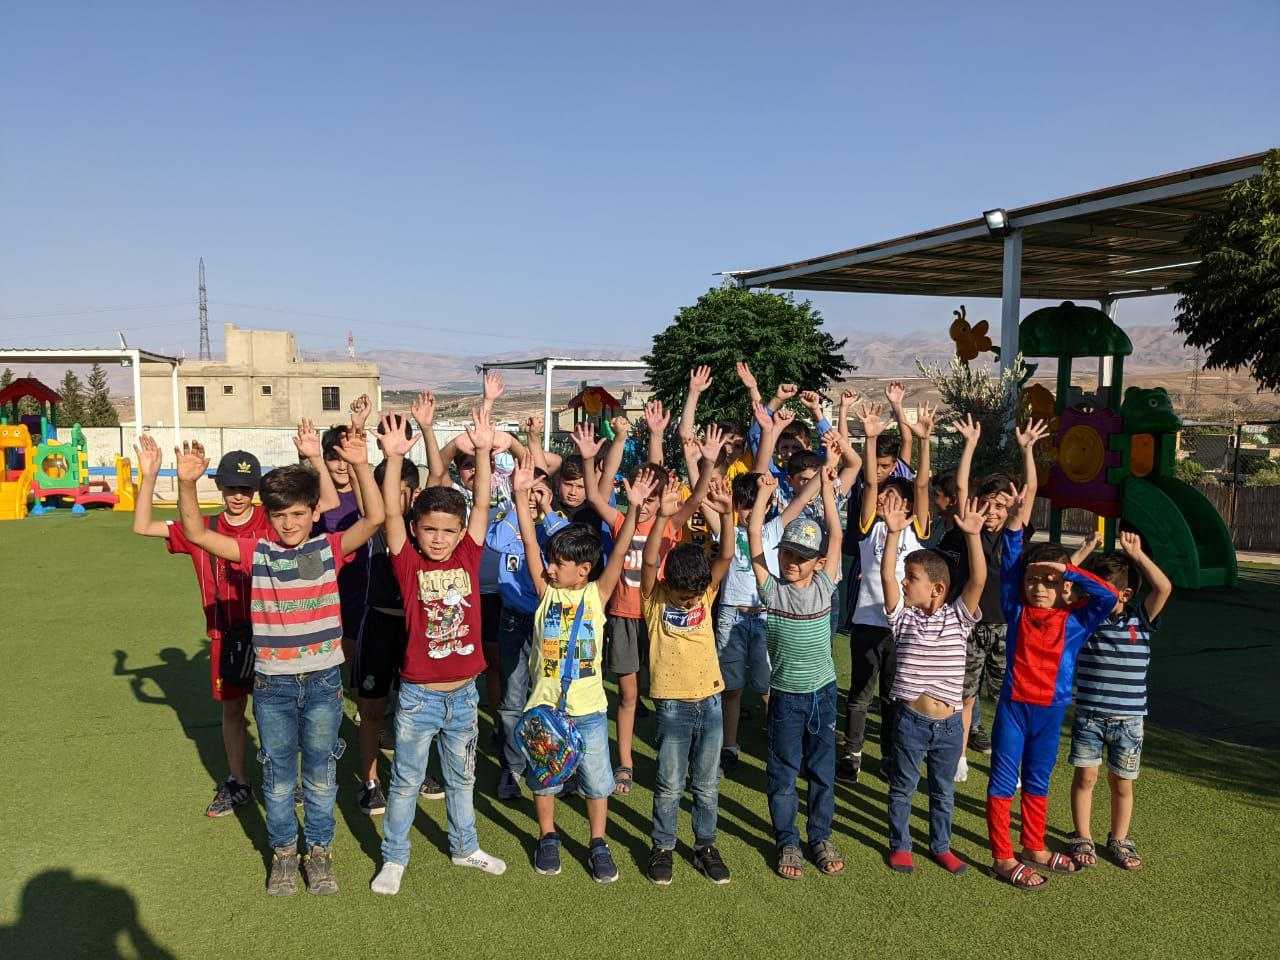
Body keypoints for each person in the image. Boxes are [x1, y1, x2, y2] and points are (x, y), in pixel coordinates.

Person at [172, 431, 384, 897]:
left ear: (314, 512)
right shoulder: (258, 553)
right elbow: (196, 533)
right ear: (267, 517)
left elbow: (375, 517)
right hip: (273, 685)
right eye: (280, 515)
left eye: (298, 514)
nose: (289, 524)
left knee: (321, 775)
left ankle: (320, 851)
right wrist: (188, 484)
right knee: (278, 775)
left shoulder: (329, 549)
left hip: (324, 682)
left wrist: (361, 465)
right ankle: (285, 853)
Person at [130, 423, 338, 818]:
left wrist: (313, 457)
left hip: (276, 633)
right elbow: (142, 526)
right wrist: (151, 474)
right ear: (219, 486)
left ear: (256, 490)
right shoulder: (203, 527)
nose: (238, 495)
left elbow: (325, 502)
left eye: (245, 488)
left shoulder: (273, 523)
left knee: (285, 709)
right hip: (225, 634)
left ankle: (288, 780)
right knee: (232, 711)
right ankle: (239, 781)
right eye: (230, 487)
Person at [369, 409, 507, 895]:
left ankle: (465, 847)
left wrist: (484, 451)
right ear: (415, 529)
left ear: (461, 532)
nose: (440, 539)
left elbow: (483, 503)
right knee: (406, 781)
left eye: (449, 531)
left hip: (465, 696)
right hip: (418, 698)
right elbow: (390, 514)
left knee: (462, 778)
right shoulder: (407, 562)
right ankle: (394, 858)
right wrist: (393, 460)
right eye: (430, 530)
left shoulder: (469, 553)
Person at [511, 456, 660, 882]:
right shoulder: (546, 592)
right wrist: (520, 496)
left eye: (558, 563)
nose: (549, 567)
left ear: (583, 570)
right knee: (544, 779)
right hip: (543, 707)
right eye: (551, 560)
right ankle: (548, 836)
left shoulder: (597, 594)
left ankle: (598, 842)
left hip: (590, 711)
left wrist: (634, 508)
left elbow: (620, 554)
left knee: (597, 783)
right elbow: (529, 543)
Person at [985, 468, 1119, 890]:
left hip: (1050, 711)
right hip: (1014, 709)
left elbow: (1109, 596)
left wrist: (1068, 570)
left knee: (1038, 780)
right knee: (1003, 782)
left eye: (1050, 582)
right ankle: (1003, 856)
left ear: (1064, 587)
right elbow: (1011, 562)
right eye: (1034, 580)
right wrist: (1016, 520)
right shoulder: (1017, 610)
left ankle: (1034, 847)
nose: (1040, 588)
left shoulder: (1077, 620)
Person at [576, 422, 721, 796]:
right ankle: (625, 763)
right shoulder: (621, 521)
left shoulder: (671, 522)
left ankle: (679, 758)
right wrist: (589, 459)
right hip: (625, 617)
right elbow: (593, 497)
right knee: (628, 695)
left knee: (669, 695)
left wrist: (707, 462)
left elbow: (698, 496)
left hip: (664, 620)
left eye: (653, 499)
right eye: (640, 496)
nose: (646, 504)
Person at [881, 491, 986, 875]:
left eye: (912, 578)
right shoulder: (902, 618)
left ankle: (941, 846)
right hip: (910, 721)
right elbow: (886, 577)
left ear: (937, 589)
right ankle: (901, 845)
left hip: (949, 726)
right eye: (906, 577)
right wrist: (893, 534)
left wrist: (973, 536)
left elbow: (978, 579)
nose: (904, 583)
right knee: (903, 786)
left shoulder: (958, 618)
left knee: (943, 790)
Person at [749, 469, 845, 880]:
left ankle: (819, 836)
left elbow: (836, 536)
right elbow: (755, 535)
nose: (791, 562)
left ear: (818, 563)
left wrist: (827, 489)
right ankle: (788, 840)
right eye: (787, 554)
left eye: (801, 557)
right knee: (783, 773)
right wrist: (762, 497)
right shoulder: (771, 590)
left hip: (824, 694)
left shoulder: (826, 584)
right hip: (786, 698)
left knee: (822, 772)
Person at [641, 475, 736, 885]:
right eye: (684, 596)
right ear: (670, 585)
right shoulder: (655, 597)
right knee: (669, 784)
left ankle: (705, 845)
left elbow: (727, 555)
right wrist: (662, 518)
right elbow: (648, 563)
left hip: (710, 701)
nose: (691, 601)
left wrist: (727, 515)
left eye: (696, 595)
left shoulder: (704, 591)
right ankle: (662, 846)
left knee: (707, 784)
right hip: (672, 705)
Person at [712, 413, 814, 774]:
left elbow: (802, 499)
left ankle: (777, 743)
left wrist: (827, 468)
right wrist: (706, 462)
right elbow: (703, 493)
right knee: (732, 687)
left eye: (754, 505)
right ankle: (730, 745)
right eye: (742, 506)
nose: (747, 512)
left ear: (768, 506)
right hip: (732, 613)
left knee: (770, 684)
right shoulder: (726, 527)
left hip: (766, 616)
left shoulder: (772, 530)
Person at [1066, 531, 1172, 872]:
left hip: (1129, 720)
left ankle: (1119, 838)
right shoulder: (1086, 619)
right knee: (1086, 778)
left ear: (1125, 594)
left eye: (1103, 589)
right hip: (1089, 716)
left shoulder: (1141, 619)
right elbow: (1063, 582)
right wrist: (1085, 550)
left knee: (1122, 783)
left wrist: (1137, 556)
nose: (1094, 595)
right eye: (1092, 588)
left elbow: (1163, 588)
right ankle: (1082, 836)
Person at [840, 400, 934, 783]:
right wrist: (870, 438)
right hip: (867, 623)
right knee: (859, 694)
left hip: (903, 628)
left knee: (894, 698)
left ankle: (891, 757)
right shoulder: (869, 526)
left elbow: (922, 484)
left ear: (908, 505)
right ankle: (852, 754)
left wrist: (924, 441)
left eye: (896, 496)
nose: (886, 500)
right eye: (883, 495)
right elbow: (870, 482)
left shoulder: (917, 529)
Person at [352, 418, 425, 817]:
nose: (392, 497)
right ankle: (370, 781)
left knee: (419, 710)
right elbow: (368, 495)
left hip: (415, 627)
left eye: (399, 490)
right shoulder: (377, 522)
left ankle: (418, 774)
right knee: (372, 710)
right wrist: (371, 453)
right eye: (384, 490)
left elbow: (441, 472)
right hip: (379, 624)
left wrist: (427, 430)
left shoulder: (426, 527)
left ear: (414, 491)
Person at [486, 465, 569, 800]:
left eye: (538, 489)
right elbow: (495, 542)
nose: (532, 496)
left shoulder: (554, 523)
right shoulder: (505, 520)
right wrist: (517, 502)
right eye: (526, 488)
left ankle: (553, 763)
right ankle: (512, 767)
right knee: (512, 699)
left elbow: (569, 546)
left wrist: (546, 508)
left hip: (547, 622)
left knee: (549, 696)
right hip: (513, 620)